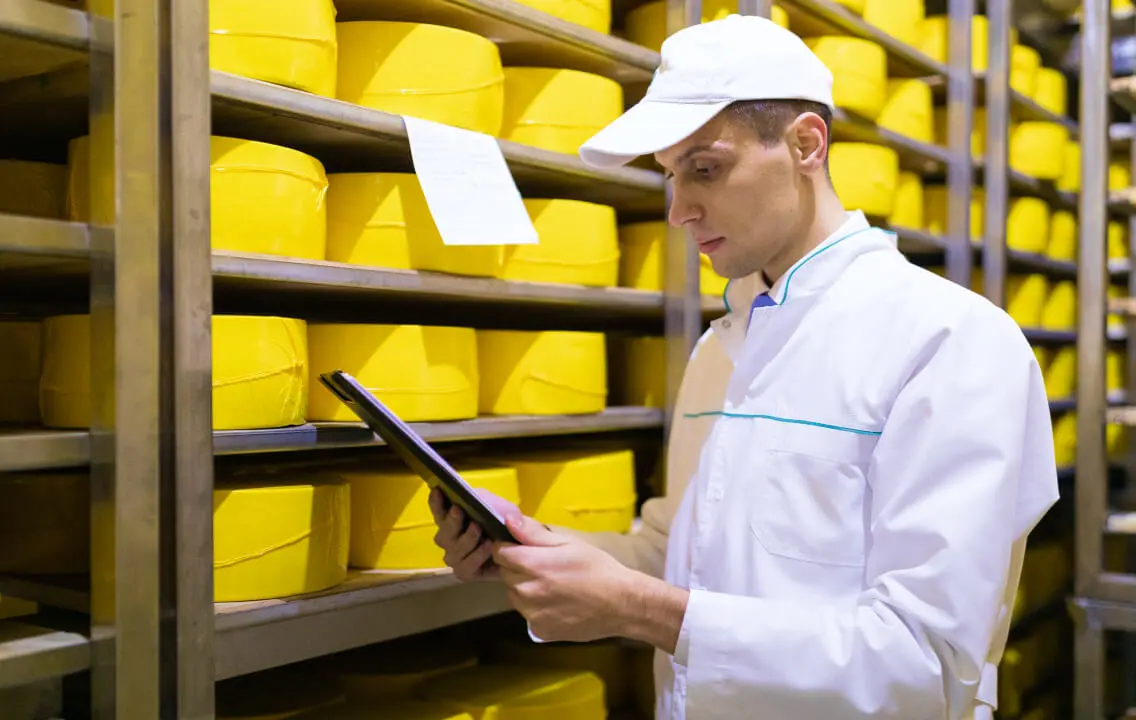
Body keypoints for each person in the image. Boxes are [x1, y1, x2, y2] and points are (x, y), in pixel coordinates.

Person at [428, 14, 1059, 720]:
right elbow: (676, 552)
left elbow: (926, 659)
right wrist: (538, 548)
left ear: (805, 144)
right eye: (670, 175)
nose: (678, 210)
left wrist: (638, 610)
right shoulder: (723, 344)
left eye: (705, 168)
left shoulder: (950, 342)